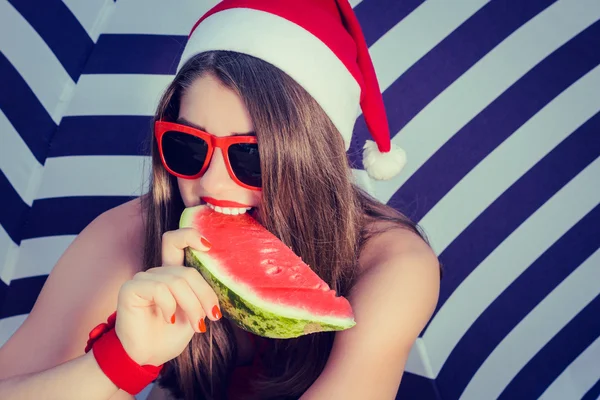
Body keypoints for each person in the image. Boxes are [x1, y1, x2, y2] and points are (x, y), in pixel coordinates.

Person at [0, 0, 441, 399]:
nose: (211, 183)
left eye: (251, 156)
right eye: (188, 146)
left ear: (312, 161)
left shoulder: (392, 263)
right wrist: (122, 362)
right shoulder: (131, 233)